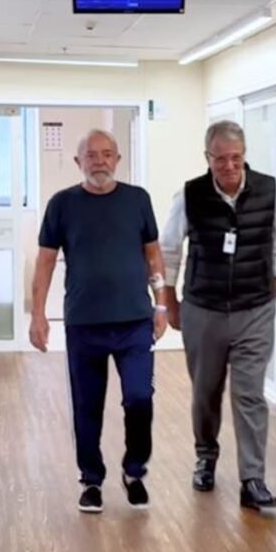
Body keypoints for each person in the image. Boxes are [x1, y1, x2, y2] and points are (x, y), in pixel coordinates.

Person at [30, 129, 167, 514]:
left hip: (134, 322)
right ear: (79, 162)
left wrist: (161, 305)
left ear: (118, 159)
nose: (100, 161)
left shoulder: (137, 200)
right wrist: (38, 314)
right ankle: (91, 479)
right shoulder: (62, 204)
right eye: (91, 155)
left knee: (139, 397)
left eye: (107, 154)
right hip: (84, 323)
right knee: (86, 405)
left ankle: (134, 472)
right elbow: (45, 262)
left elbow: (153, 255)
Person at [161, 120, 276, 512]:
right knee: (206, 392)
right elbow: (170, 248)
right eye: (220, 159)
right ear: (208, 158)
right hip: (204, 308)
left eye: (236, 158)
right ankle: (206, 456)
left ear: (244, 155)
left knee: (249, 393)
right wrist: (169, 299)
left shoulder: (272, 191)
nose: (229, 166)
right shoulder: (190, 195)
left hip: (255, 309)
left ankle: (252, 479)